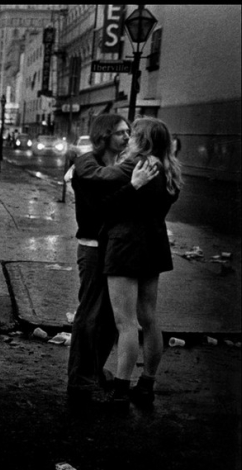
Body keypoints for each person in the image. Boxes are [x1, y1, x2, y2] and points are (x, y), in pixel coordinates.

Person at [65, 113, 158, 404]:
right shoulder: (88, 164)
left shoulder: (118, 164)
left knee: (110, 318)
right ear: (104, 135)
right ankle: (80, 379)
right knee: (91, 313)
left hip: (114, 249)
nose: (126, 136)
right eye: (120, 132)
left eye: (128, 131)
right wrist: (134, 186)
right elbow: (102, 210)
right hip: (93, 246)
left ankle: (94, 371)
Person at [102, 117, 182, 408]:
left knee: (126, 323)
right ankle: (146, 384)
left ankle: (121, 388)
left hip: (125, 246)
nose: (128, 139)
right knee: (149, 319)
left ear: (142, 139)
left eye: (133, 134)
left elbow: (106, 205)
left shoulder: (135, 168)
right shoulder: (169, 171)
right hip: (154, 245)